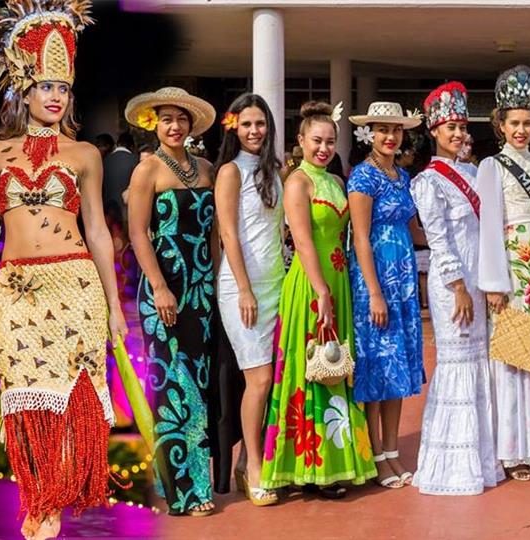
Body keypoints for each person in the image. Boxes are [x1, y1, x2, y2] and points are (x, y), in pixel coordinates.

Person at [0, 2, 128, 538]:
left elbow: (98, 231)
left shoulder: (84, 155)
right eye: (47, 86)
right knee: (26, 398)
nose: (56, 96)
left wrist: (115, 309)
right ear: (25, 89)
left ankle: (50, 503)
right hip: (15, 290)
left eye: (65, 88)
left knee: (70, 401)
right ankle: (38, 495)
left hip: (75, 285)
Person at [261, 101, 376, 498]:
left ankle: (333, 463)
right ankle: (306, 468)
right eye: (316, 141)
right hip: (312, 285)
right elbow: (302, 239)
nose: (323, 148)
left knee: (333, 366)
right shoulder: (298, 182)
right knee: (310, 366)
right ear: (300, 141)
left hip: (338, 280)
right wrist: (322, 290)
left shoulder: (335, 182)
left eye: (330, 141)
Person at [125, 87, 218, 516]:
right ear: (154, 125)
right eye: (166, 119)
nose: (174, 126)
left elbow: (212, 233)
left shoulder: (206, 168)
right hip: (162, 291)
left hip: (200, 291)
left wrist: (214, 280)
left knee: (198, 384)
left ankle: (201, 481)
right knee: (170, 387)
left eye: (180, 119)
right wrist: (160, 287)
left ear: (191, 124)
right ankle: (182, 491)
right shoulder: (146, 171)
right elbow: (138, 234)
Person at [411, 82, 505, 495]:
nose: (457, 133)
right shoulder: (429, 181)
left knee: (480, 363)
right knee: (458, 365)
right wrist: (458, 287)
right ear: (434, 130)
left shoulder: (472, 171)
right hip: (455, 285)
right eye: (449, 126)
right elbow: (438, 239)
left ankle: (483, 461)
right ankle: (451, 466)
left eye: (461, 126)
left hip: (478, 280)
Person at [478, 65, 530, 482]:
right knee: (513, 359)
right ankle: (513, 450)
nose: (521, 130)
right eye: (514, 123)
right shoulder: (491, 167)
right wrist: (494, 283)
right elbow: (489, 225)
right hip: (512, 268)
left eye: (527, 122)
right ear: (501, 123)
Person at [347, 102, 425, 489]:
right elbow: (360, 237)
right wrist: (374, 292)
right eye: (381, 130)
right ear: (369, 134)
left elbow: (415, 231)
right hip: (374, 281)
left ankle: (393, 452)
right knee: (376, 368)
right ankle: (375, 455)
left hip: (405, 279)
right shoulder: (363, 177)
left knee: (398, 369)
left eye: (395, 130)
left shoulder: (402, 176)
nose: (389, 136)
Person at [215, 93, 285, 506]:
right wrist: (243, 287)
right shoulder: (230, 172)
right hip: (243, 287)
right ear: (234, 128)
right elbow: (228, 234)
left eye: (260, 124)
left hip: (277, 282)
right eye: (247, 125)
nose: (254, 131)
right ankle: (252, 465)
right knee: (257, 379)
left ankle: (254, 461)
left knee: (272, 378)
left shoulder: (274, 170)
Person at [103, 131, 138, 222]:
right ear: (132, 146)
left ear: (117, 144)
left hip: (107, 210)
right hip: (127, 212)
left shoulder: (105, 160)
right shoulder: (135, 160)